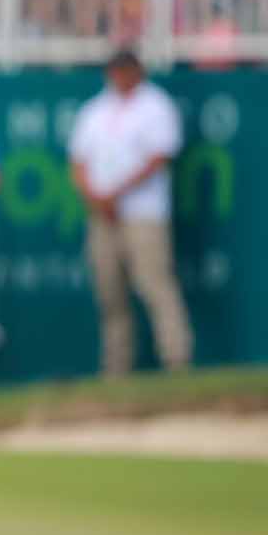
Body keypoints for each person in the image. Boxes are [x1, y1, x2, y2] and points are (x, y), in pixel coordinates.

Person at [68, 50, 193, 377]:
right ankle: (116, 372)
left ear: (138, 71)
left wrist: (116, 194)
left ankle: (176, 361)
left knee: (155, 284)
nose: (120, 77)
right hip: (102, 216)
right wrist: (98, 198)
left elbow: (158, 157)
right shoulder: (95, 110)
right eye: (115, 71)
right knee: (110, 294)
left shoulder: (155, 106)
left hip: (143, 213)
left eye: (126, 70)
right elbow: (78, 162)